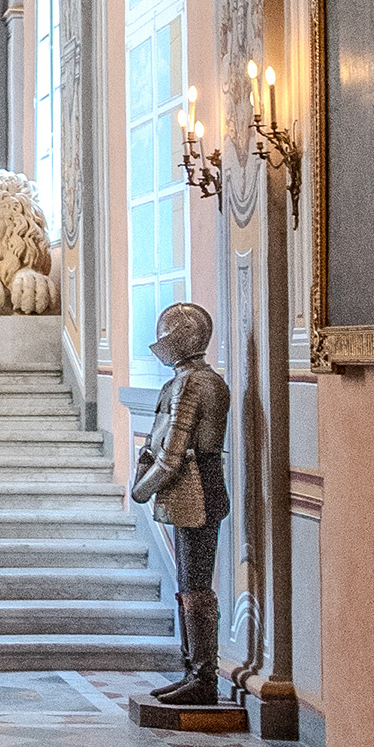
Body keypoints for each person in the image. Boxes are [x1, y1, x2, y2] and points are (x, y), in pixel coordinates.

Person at [130, 298, 232, 710]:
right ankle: (192, 669)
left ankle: (203, 675)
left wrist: (141, 491)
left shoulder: (194, 384)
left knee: (195, 587)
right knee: (187, 585)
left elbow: (173, 454)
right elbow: (158, 443)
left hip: (197, 487)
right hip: (188, 488)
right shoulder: (185, 380)